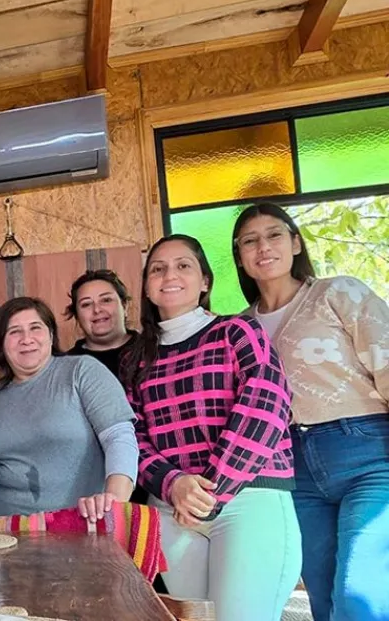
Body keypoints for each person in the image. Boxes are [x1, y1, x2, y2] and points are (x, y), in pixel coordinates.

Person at [123, 234, 300, 621]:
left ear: (204, 282)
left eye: (183, 265)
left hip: (247, 500)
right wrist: (173, 485)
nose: (170, 274)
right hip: (173, 510)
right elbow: (132, 438)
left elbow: (265, 409)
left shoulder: (237, 332)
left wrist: (211, 493)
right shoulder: (138, 360)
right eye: (158, 268)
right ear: (148, 288)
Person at [231, 203, 389, 621]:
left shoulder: (339, 292)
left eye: (274, 235)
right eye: (250, 240)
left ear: (295, 242)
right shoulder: (237, 327)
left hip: (366, 452)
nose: (263, 247)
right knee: (322, 593)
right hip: (289, 469)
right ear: (240, 256)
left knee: (361, 593)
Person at [0, 297, 138, 522]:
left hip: (79, 525)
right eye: (14, 332)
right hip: (4, 530)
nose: (26, 339)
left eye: (35, 328)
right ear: (1, 343)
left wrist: (113, 501)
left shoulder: (81, 370)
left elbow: (119, 437)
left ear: (51, 335)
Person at [64, 270, 138, 378]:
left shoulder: (153, 352)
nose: (97, 310)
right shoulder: (65, 367)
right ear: (77, 317)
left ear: (124, 306)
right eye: (86, 304)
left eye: (106, 300)